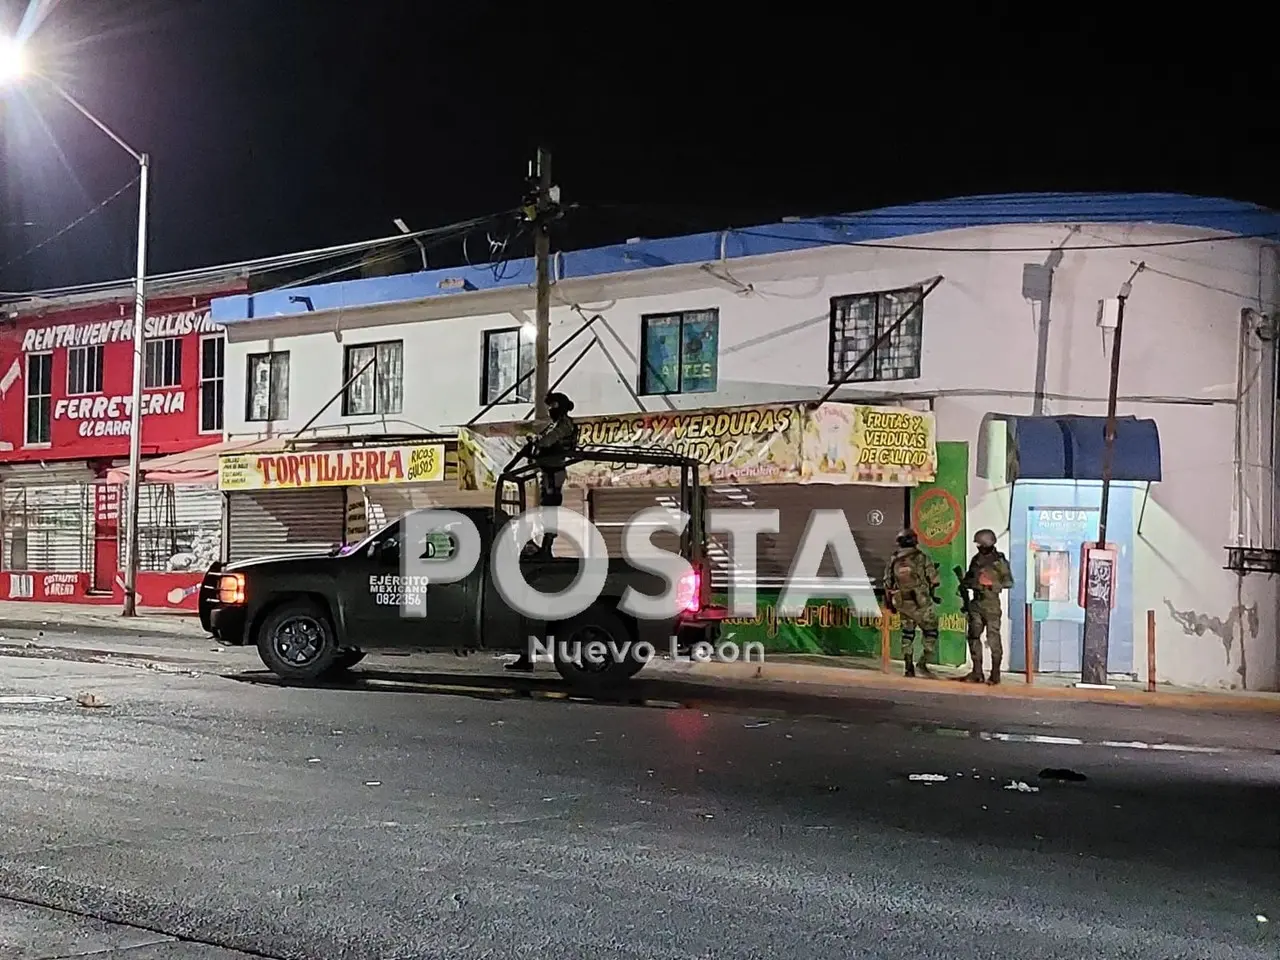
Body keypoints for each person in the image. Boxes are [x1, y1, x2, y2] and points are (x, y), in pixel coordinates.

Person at [508, 392, 579, 671]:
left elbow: (547, 442)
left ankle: (548, 544)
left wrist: (535, 444)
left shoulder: (564, 425)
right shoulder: (555, 425)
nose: (549, 410)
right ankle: (526, 658)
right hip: (547, 471)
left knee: (550, 511)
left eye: (552, 406)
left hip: (553, 472)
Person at [882, 528, 941, 678]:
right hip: (921, 603)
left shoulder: (894, 559)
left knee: (907, 635)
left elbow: (887, 583)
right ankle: (922, 662)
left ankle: (908, 666)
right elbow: (935, 580)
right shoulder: (921, 557)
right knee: (931, 632)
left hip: (903, 603)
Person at [961, 528, 1015, 684]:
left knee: (993, 639)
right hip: (976, 603)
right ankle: (977, 672)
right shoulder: (976, 560)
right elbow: (967, 580)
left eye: (980, 544)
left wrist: (992, 584)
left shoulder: (999, 561)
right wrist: (974, 584)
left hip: (991, 605)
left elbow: (1009, 582)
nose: (978, 547)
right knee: (973, 637)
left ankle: (995, 674)